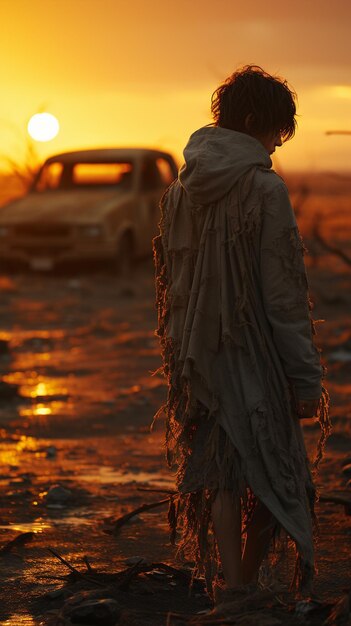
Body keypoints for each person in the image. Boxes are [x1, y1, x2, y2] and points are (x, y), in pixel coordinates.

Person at [153, 65, 330, 603]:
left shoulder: (180, 188)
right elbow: (283, 295)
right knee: (281, 473)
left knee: (223, 472)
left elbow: (172, 283)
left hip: (198, 357)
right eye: (275, 132)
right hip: (256, 354)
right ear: (255, 121)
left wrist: (183, 356)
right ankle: (245, 584)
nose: (277, 146)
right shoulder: (265, 188)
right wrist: (305, 380)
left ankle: (232, 586)